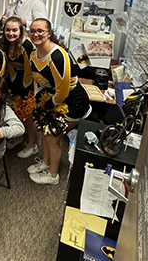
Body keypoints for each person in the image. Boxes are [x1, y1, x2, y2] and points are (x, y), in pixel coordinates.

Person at [27, 18, 91, 185]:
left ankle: (53, 175)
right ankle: (46, 163)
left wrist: (48, 107)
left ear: (49, 33)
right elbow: (38, 80)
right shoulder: (34, 54)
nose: (36, 34)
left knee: (51, 137)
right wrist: (38, 100)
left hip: (72, 102)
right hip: (53, 99)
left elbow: (63, 90)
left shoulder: (58, 56)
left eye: (40, 31)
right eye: (32, 31)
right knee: (43, 132)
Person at [0, 16, 38, 154]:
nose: (11, 33)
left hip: (30, 82)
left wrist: (24, 89)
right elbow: (8, 64)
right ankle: (18, 137)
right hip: (15, 79)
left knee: (29, 114)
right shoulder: (4, 43)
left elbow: (29, 70)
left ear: (21, 31)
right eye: (8, 30)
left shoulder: (27, 45)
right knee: (14, 110)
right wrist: (11, 84)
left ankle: (32, 145)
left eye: (14, 30)